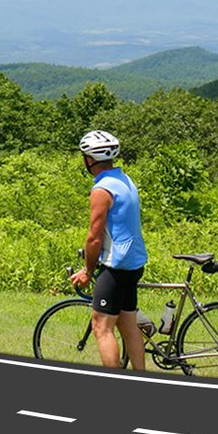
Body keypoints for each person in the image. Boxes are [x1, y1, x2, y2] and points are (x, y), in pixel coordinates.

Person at [69, 130, 148, 371]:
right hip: (134, 264)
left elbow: (94, 237)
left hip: (116, 266)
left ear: (89, 160)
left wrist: (87, 270)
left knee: (102, 328)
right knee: (128, 326)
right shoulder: (125, 180)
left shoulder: (102, 190)